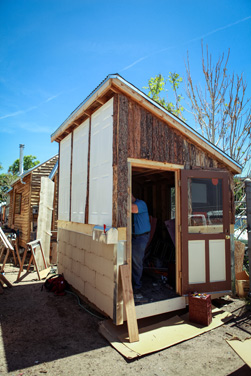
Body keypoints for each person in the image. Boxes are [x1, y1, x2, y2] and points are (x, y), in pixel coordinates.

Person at [131, 194, 151, 301]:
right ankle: (133, 284)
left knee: (136, 261)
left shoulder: (141, 204)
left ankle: (137, 287)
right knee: (132, 260)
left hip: (141, 237)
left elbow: (131, 208)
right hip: (134, 237)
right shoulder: (136, 203)